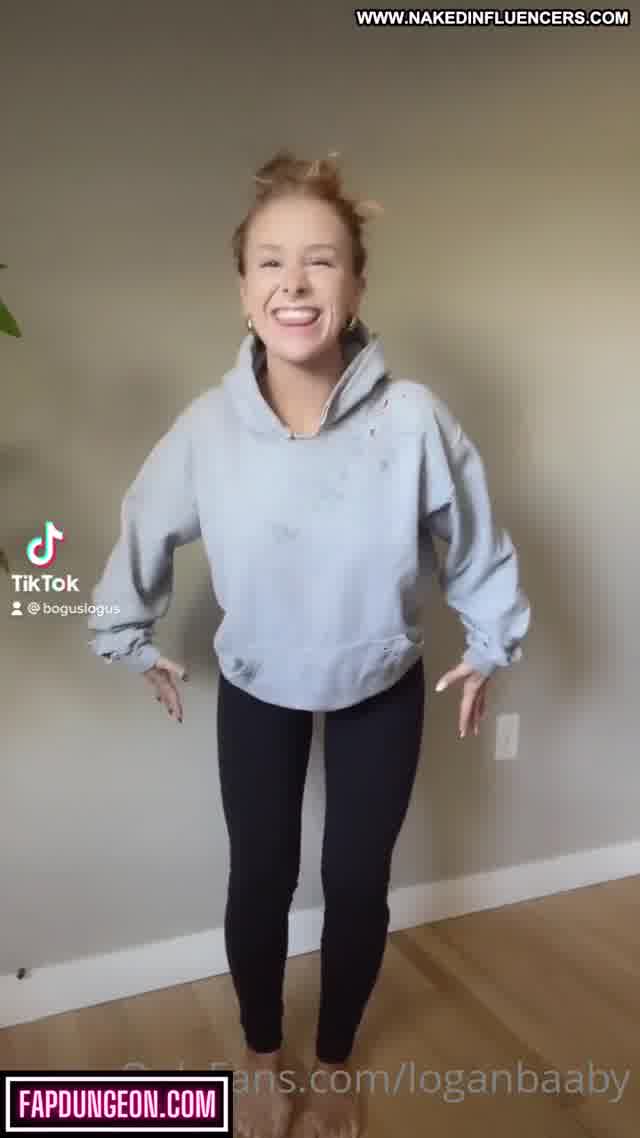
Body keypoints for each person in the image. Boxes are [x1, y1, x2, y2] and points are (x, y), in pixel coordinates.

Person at [88, 149, 531, 1138]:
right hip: (257, 682)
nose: (295, 281)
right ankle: (260, 1054)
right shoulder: (207, 429)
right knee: (260, 877)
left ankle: (331, 1063)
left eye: (321, 261)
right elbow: (142, 524)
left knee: (356, 885)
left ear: (357, 287)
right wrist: (127, 633)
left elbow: (474, 538)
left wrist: (491, 640)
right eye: (271, 262)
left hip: (382, 678)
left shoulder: (412, 420)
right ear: (243, 290)